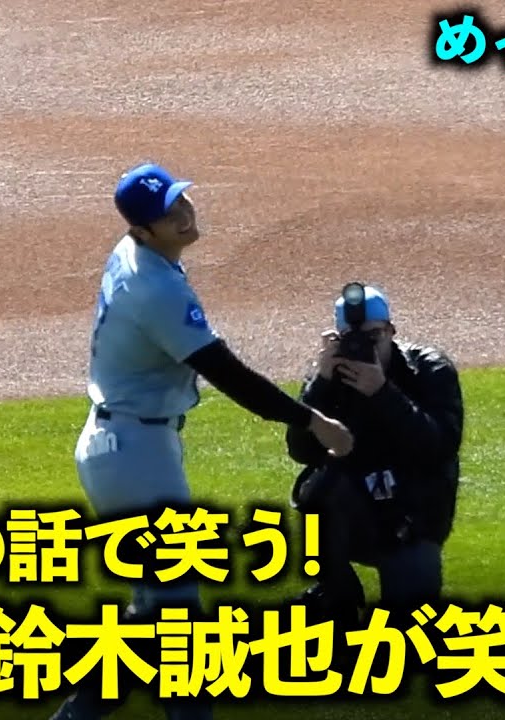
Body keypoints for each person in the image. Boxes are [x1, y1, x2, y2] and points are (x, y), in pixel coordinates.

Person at [49, 162, 354, 720]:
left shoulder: (137, 254)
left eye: (182, 200)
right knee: (180, 624)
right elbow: (228, 375)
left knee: (153, 611)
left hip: (127, 446)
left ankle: (76, 714)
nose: (184, 214)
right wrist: (313, 420)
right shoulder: (153, 287)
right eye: (169, 213)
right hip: (134, 455)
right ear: (143, 230)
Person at [285, 283, 465, 627]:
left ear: (392, 331)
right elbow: (300, 450)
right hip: (352, 510)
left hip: (412, 515)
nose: (363, 347)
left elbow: (440, 447)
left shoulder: (430, 369)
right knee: (317, 497)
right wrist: (321, 385)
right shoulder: (328, 373)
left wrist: (383, 392)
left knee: (409, 627)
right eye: (351, 339)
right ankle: (335, 597)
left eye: (374, 336)